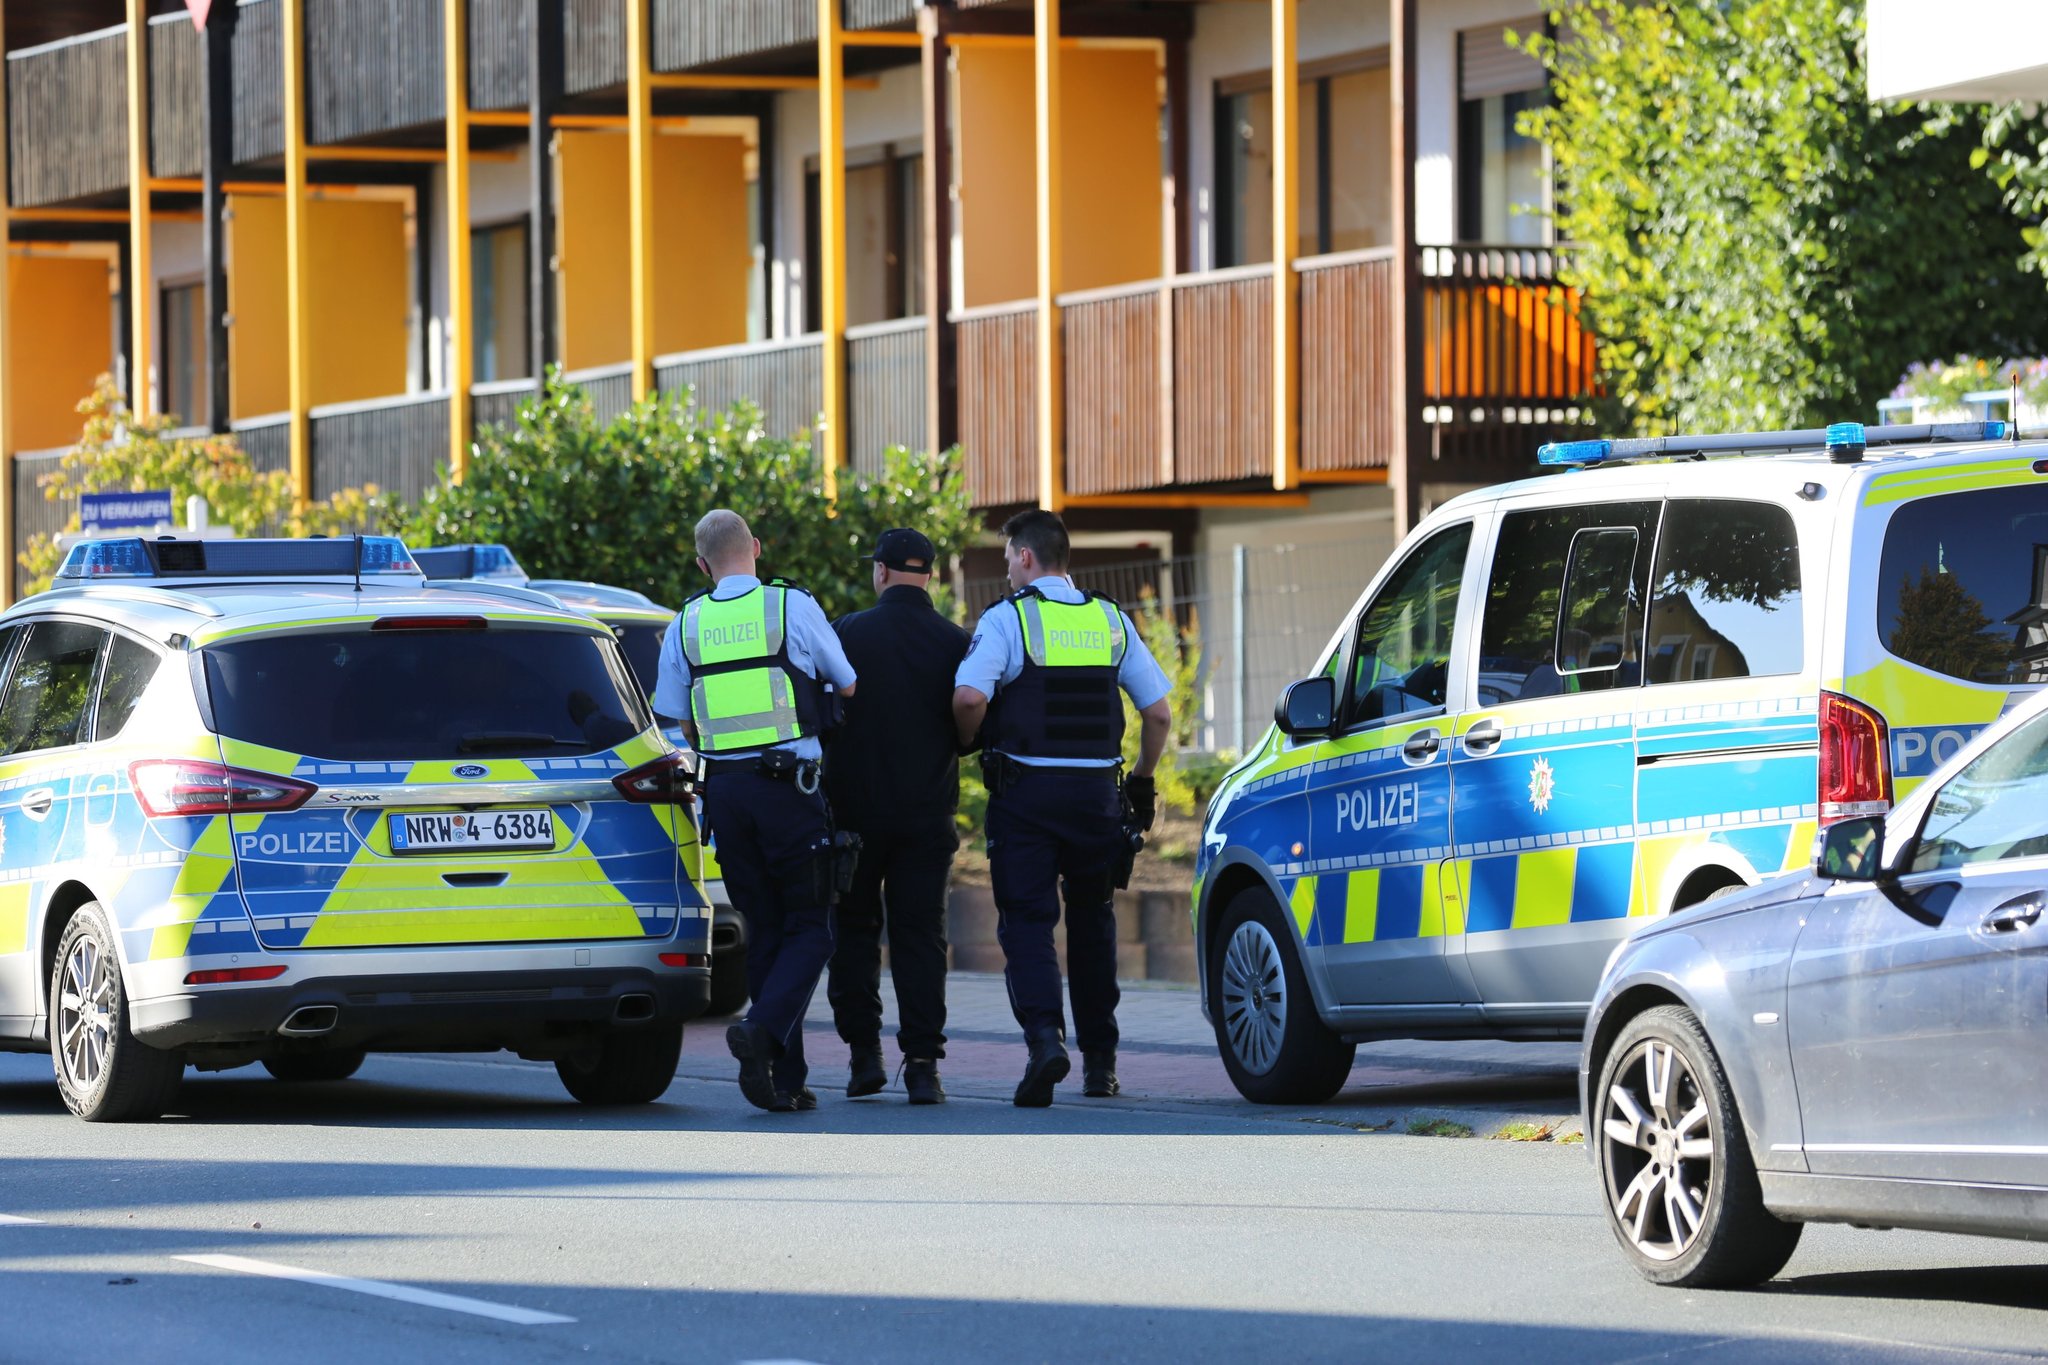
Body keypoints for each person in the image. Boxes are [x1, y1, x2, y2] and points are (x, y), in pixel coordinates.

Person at [951, 510, 1172, 1107]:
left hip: (1025, 798)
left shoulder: (1007, 619)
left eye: (1006, 561)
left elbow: (970, 697)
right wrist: (1143, 783)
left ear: (1026, 557)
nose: (1007, 572)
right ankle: (1101, 1063)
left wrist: (968, 740)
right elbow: (1157, 714)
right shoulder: (1109, 619)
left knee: (1027, 922)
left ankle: (1045, 1041)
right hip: (1097, 798)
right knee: (1093, 920)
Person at [653, 509, 857, 1113]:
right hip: (788, 790)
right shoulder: (790, 606)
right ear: (757, 548)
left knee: (765, 927)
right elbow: (847, 683)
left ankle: (783, 1078)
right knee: (814, 927)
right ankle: (762, 1030)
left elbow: (680, 718)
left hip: (727, 794)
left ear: (701, 564)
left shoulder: (686, 620)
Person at [823, 528, 971, 1105]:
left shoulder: (846, 634)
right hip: (925, 817)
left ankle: (864, 1056)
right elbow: (972, 715)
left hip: (853, 816)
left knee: (854, 934)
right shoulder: (956, 642)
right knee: (921, 936)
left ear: (880, 572)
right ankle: (923, 1066)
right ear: (929, 576)